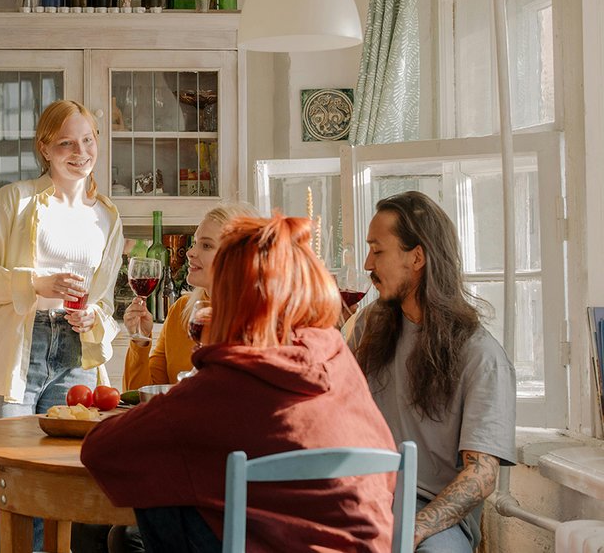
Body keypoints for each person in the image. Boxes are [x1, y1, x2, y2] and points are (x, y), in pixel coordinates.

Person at [82, 215, 398, 553]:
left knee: (163, 494)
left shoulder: (230, 377)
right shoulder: (335, 353)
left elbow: (101, 450)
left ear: (233, 298)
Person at [0, 99, 124, 553]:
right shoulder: (13, 200)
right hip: (19, 352)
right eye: (67, 142)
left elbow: (106, 300)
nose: (80, 151)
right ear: (45, 148)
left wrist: (94, 317)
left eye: (88, 140)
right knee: (7, 483)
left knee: (64, 483)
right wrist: (37, 283)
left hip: (75, 356)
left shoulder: (107, 216)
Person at [352, 191, 516, 552]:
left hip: (432, 512)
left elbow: (482, 475)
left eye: (377, 250)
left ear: (417, 257)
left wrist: (413, 528)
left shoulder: (481, 355)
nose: (367, 263)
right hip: (362, 495)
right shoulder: (368, 326)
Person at [122, 200, 258, 391]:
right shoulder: (182, 311)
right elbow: (143, 396)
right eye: (195, 243)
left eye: (207, 246)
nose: (191, 252)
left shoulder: (260, 319)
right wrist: (140, 338)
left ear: (239, 257)